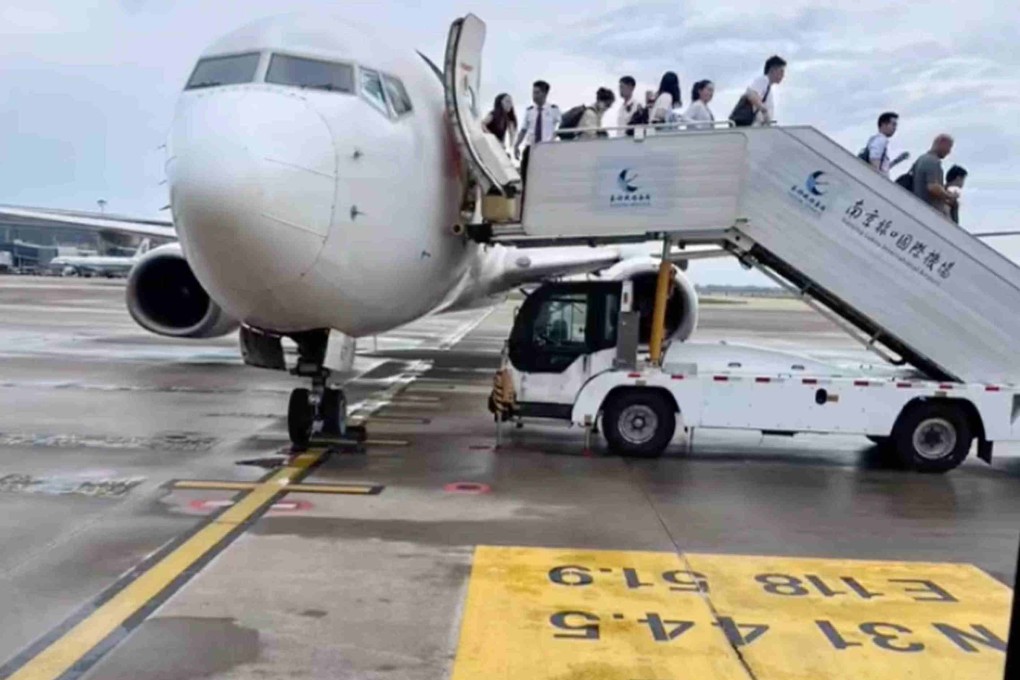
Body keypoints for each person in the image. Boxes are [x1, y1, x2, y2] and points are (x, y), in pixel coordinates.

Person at [514, 80, 560, 180]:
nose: (534, 96)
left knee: (545, 176)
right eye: (533, 92)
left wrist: (553, 137)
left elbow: (559, 127)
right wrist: (516, 145)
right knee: (526, 176)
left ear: (545, 94)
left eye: (537, 93)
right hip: (531, 147)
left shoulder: (554, 110)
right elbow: (523, 129)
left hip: (546, 147)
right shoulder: (529, 110)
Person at [910, 134, 957, 214]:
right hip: (928, 211)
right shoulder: (933, 161)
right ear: (941, 143)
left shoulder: (921, 159)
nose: (949, 152)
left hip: (918, 206)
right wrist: (949, 196)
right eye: (949, 147)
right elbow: (933, 187)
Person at [732, 55, 786, 126]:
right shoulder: (763, 80)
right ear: (772, 70)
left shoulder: (768, 87)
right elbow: (750, 94)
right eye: (781, 71)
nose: (783, 75)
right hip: (749, 126)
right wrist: (764, 110)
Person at [860, 112, 909, 177]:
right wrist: (877, 177)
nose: (895, 128)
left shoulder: (875, 140)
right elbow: (874, 160)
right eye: (893, 125)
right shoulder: (881, 140)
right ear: (884, 124)